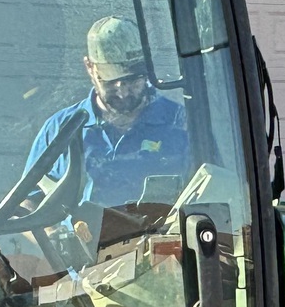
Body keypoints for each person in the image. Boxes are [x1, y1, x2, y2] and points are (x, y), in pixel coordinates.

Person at [26, 16, 190, 213]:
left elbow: (212, 190)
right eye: (111, 82)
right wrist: (49, 233)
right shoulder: (59, 129)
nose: (123, 92)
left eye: (132, 80)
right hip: (78, 242)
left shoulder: (181, 124)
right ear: (89, 67)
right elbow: (28, 202)